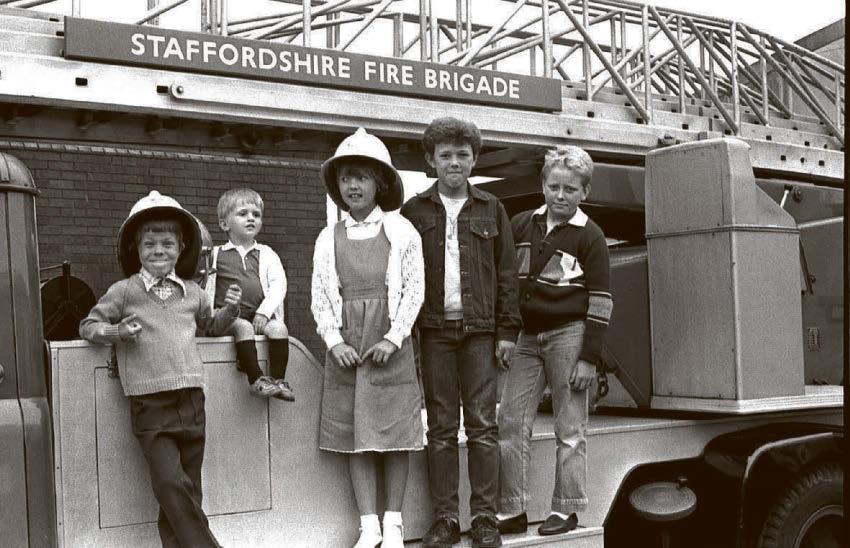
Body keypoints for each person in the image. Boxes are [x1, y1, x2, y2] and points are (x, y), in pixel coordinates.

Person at [80, 190, 238, 548]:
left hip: (191, 399)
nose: (158, 250)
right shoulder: (123, 291)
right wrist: (116, 332)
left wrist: (230, 311)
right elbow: (88, 325)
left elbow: (210, 326)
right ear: (136, 247)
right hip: (149, 404)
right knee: (170, 484)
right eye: (149, 243)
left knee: (186, 492)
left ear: (181, 248)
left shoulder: (194, 292)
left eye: (167, 243)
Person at [400, 117, 521, 548]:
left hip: (480, 332)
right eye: (445, 155)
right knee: (441, 427)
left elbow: (507, 274)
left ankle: (485, 518)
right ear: (431, 161)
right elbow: (403, 273)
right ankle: (446, 518)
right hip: (432, 330)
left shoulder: (492, 207)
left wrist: (507, 331)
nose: (454, 162)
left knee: (484, 424)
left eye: (462, 155)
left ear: (474, 160)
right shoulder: (413, 211)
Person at [311, 128, 425, 548]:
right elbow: (321, 296)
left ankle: (394, 523)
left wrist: (393, 339)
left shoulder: (402, 231)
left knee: (395, 437)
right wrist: (334, 341)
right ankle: (368, 526)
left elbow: (414, 291)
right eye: (345, 178)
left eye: (361, 177)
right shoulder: (328, 238)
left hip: (388, 345)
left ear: (380, 183)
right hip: (349, 350)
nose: (353, 185)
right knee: (356, 438)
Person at [496, 146, 612, 536]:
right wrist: (506, 334)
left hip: (570, 334)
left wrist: (588, 358)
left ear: (585, 192)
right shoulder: (521, 224)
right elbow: (508, 284)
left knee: (570, 426)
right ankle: (511, 509)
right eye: (553, 186)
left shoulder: (590, 235)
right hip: (528, 337)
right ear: (542, 185)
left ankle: (567, 508)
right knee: (511, 421)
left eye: (570, 189)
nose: (560, 196)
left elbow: (601, 300)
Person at [205, 188, 293, 401]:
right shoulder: (215, 254)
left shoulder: (267, 253)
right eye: (243, 214)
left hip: (259, 316)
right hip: (228, 317)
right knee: (242, 326)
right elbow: (204, 285)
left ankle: (278, 381)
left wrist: (264, 313)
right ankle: (256, 379)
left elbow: (278, 285)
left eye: (256, 214)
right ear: (225, 224)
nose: (251, 218)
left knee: (280, 328)